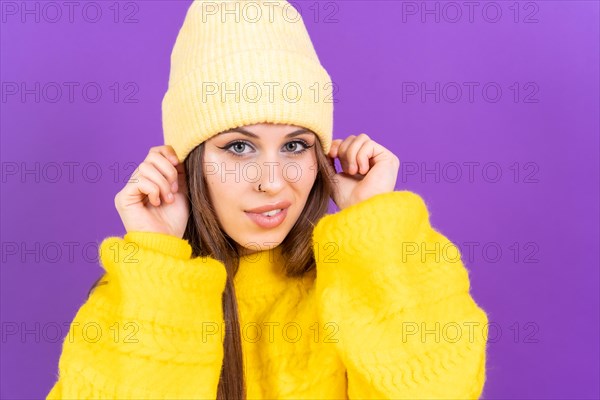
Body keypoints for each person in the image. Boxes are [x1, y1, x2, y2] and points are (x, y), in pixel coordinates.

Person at [46, 1, 489, 399]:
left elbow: (443, 388)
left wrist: (374, 224)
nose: (273, 183)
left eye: (295, 146)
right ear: (189, 162)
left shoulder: (357, 280)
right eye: (239, 147)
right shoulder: (137, 295)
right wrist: (158, 261)